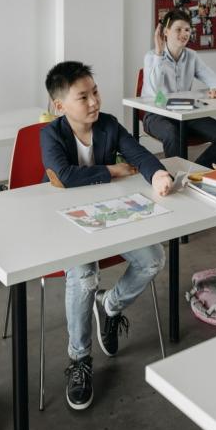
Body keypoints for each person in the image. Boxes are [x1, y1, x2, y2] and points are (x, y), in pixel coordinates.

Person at [41, 61, 174, 411]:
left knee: (153, 258)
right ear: (60, 106)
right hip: (67, 224)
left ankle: (110, 305)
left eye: (95, 92)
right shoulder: (50, 134)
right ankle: (79, 359)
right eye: (82, 97)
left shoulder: (110, 126)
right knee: (85, 276)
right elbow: (66, 176)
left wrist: (158, 174)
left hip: (111, 217)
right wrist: (111, 170)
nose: (93, 102)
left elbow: (140, 155)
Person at [142, 8, 216, 167]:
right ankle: (177, 176)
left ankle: (195, 172)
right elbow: (154, 92)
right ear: (165, 32)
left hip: (185, 113)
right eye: (178, 29)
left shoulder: (191, 56)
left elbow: (214, 78)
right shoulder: (151, 57)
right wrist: (159, 53)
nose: (184, 34)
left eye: (187, 29)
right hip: (156, 115)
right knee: (173, 134)